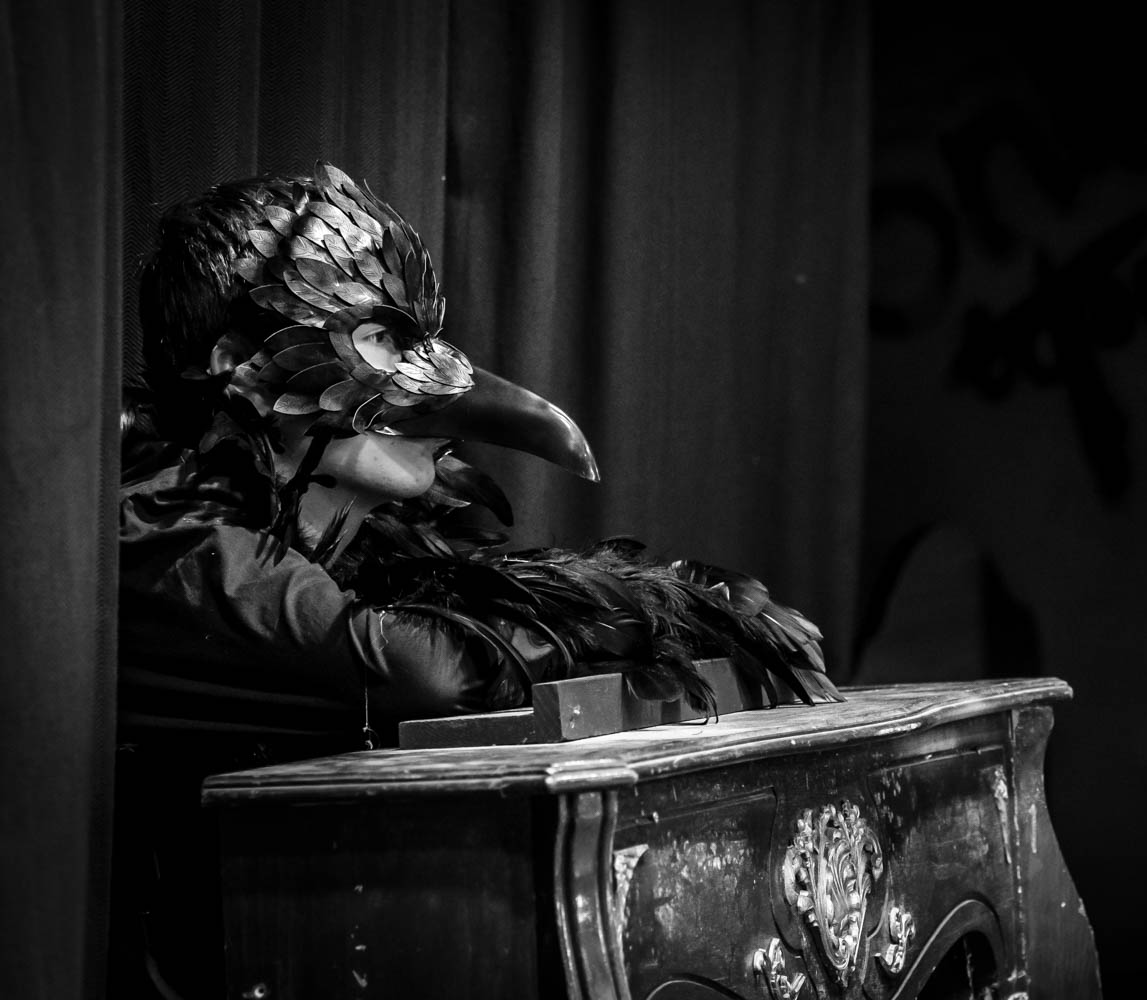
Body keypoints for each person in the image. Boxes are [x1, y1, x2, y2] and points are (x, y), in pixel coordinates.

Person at [112, 163, 836, 997]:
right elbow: (425, 669)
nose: (440, 382)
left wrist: (660, 609)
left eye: (424, 336)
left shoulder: (348, 547)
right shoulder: (167, 538)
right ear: (238, 364)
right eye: (381, 341)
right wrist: (634, 611)